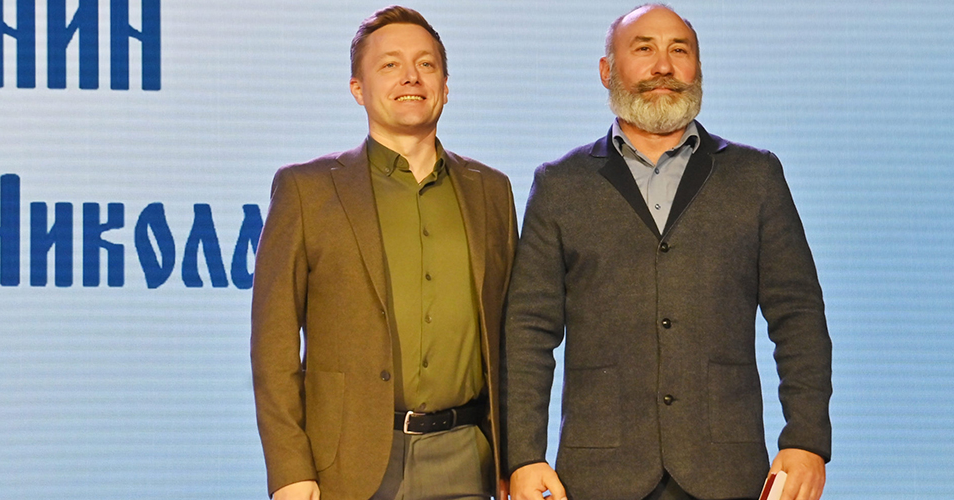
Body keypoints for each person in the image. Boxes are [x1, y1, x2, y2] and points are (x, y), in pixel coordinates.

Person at [502, 4, 831, 500]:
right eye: (644, 49)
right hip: (599, 473)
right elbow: (529, 330)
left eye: (679, 50)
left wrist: (806, 439)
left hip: (726, 470)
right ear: (606, 71)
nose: (663, 66)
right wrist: (524, 456)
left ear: (698, 68)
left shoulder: (756, 176)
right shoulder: (560, 185)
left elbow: (798, 315)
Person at [251, 6, 517, 500]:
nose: (411, 76)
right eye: (390, 64)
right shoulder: (306, 191)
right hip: (347, 466)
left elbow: (511, 338)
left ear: (445, 86)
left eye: (426, 64)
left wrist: (516, 457)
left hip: (468, 461)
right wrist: (289, 470)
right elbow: (274, 346)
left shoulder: (492, 192)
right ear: (358, 88)